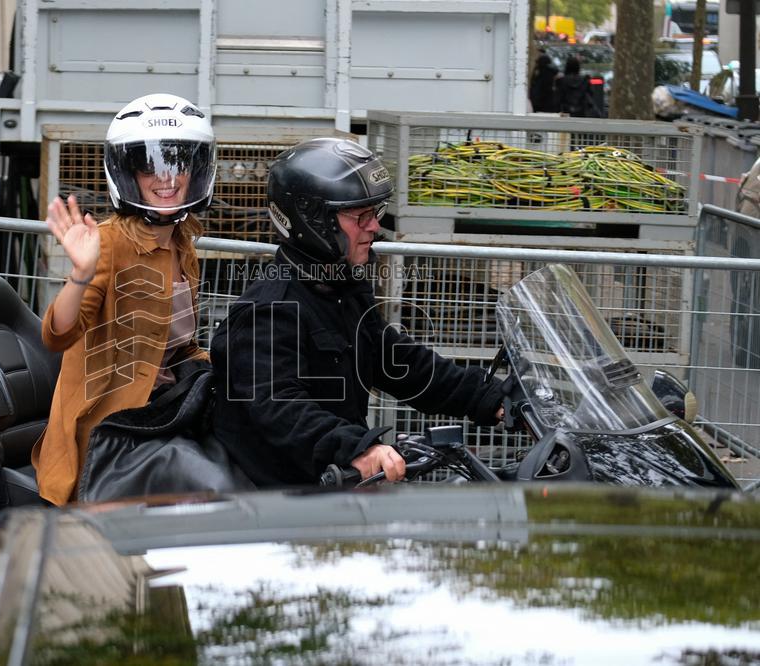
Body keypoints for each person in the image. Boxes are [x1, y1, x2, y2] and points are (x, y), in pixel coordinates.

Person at [209, 138, 509, 487]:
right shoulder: (266, 311)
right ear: (313, 220)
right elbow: (281, 409)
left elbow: (399, 362)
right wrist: (358, 450)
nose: (374, 227)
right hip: (277, 511)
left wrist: (491, 397)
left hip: (335, 497)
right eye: (359, 215)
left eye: (375, 212)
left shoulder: (340, 292)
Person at [30, 93, 216, 506]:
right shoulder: (109, 244)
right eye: (148, 165)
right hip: (112, 434)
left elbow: (179, 349)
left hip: (165, 416)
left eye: (178, 163)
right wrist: (80, 273)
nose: (165, 177)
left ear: (197, 170)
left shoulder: (184, 245)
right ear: (128, 174)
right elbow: (58, 335)